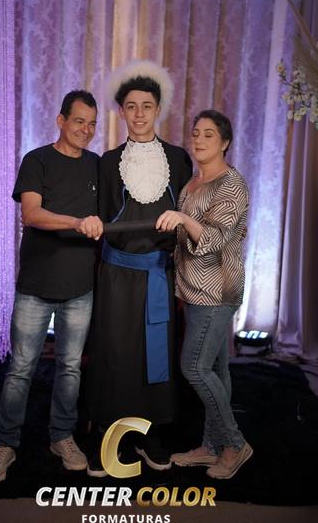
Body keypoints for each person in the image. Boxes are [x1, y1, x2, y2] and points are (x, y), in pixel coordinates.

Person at [0, 90, 103, 484]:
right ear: (60, 120)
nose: (86, 130)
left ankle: (62, 437)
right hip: (35, 286)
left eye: (92, 124)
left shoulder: (97, 165)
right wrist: (77, 222)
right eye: (79, 121)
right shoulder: (36, 160)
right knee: (20, 369)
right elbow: (31, 215)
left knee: (70, 368)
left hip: (80, 288)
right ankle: (5, 443)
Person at [87, 60, 192, 477]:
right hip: (116, 274)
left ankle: (150, 435)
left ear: (158, 109)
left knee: (155, 356)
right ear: (121, 112)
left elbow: (189, 218)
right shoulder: (107, 161)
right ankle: (107, 435)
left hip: (158, 274)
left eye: (147, 106)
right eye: (131, 106)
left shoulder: (179, 160)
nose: (139, 113)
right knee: (114, 355)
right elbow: (97, 219)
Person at [155, 109, 253, 480]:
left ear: (225, 142)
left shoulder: (232, 185)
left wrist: (183, 219)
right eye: (196, 133)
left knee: (194, 367)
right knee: (215, 369)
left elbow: (212, 239)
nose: (198, 140)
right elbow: (183, 238)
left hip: (216, 292)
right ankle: (212, 447)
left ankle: (235, 444)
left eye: (208, 134)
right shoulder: (193, 184)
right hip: (192, 291)